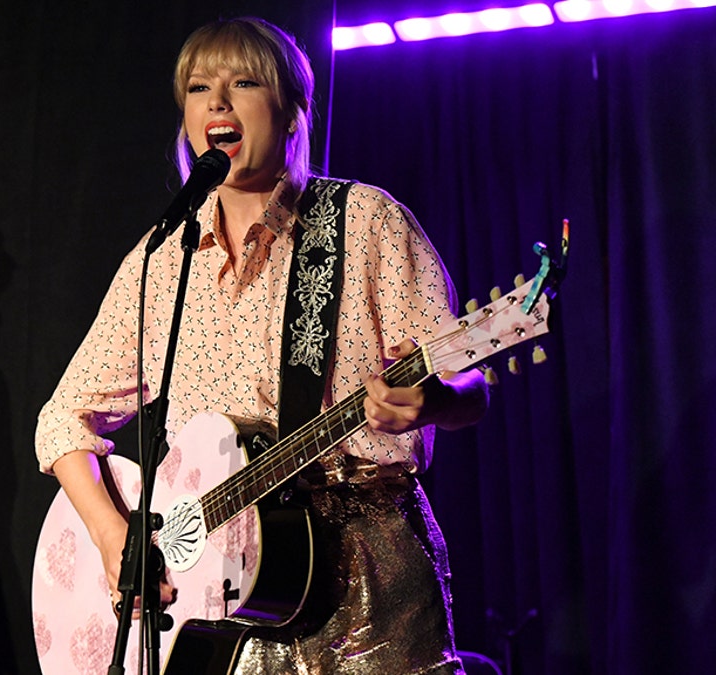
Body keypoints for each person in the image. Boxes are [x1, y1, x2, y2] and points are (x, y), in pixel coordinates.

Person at [35, 17, 488, 674]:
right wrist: (116, 536)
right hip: (224, 603)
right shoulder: (163, 262)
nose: (217, 101)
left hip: (368, 573)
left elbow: (468, 389)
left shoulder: (365, 222)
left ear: (292, 111)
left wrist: (433, 403)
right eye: (198, 88)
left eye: (243, 82)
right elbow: (62, 418)